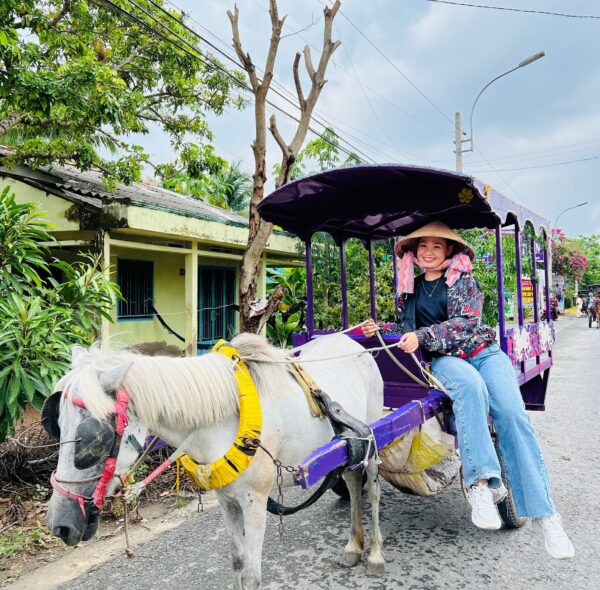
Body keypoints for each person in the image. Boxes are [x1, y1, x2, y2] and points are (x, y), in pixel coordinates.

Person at [362, 221, 574, 559]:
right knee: (471, 388)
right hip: (444, 360)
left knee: (513, 416)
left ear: (449, 251)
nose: (428, 251)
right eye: (422, 246)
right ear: (413, 252)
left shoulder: (463, 280)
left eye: (436, 246)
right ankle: (480, 485)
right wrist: (379, 328)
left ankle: (546, 516)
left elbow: (466, 323)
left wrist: (422, 336)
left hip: (483, 352)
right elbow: (406, 328)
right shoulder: (408, 289)